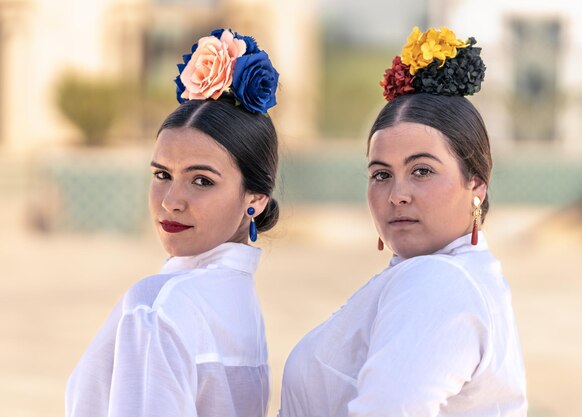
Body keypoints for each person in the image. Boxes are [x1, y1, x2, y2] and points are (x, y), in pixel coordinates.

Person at [279, 27, 527, 416]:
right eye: (381, 174)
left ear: (475, 183)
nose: (397, 194)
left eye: (422, 171)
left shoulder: (438, 281)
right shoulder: (456, 274)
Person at [66, 28, 280, 417]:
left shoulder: (159, 304)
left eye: (201, 181)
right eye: (162, 174)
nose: (170, 201)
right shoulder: (240, 303)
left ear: (256, 199)